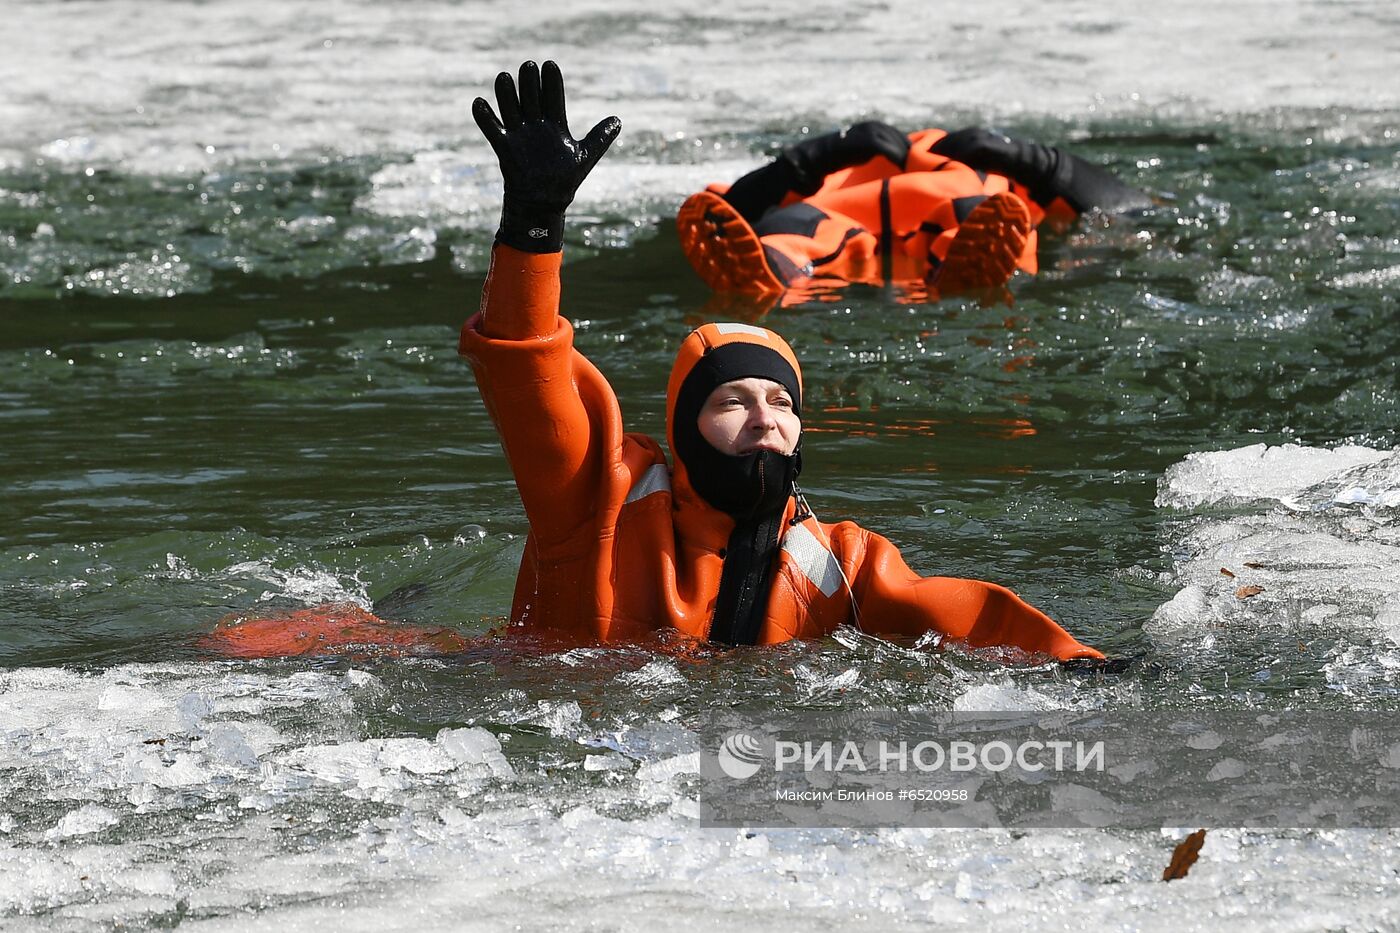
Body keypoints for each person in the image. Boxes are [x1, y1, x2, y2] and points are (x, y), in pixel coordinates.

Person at [454, 61, 1102, 660]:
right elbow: (525, 374)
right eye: (732, 400)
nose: (765, 418)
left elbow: (969, 615)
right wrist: (532, 228)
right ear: (684, 426)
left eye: (782, 402)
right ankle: (781, 266)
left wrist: (1090, 667)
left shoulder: (839, 560)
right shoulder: (599, 496)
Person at [678, 118, 1149, 304]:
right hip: (843, 214)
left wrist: (1038, 161)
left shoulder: (981, 170)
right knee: (795, 226)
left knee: (983, 213)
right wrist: (805, 161)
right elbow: (727, 210)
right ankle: (770, 270)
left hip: (959, 214)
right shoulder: (845, 168)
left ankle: (962, 269)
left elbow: (1127, 207)